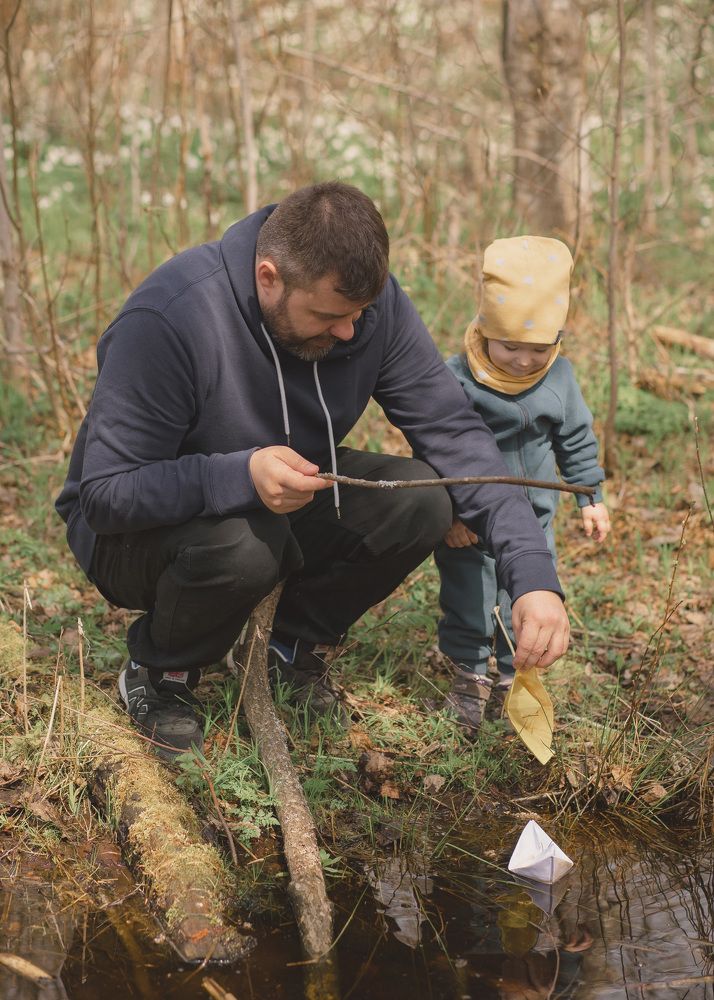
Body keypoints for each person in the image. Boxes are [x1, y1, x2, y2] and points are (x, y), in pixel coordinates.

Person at [55, 183, 570, 761]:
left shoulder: (368, 309)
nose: (350, 331)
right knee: (245, 544)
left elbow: (454, 434)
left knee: (423, 502)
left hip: (279, 495)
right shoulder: (171, 317)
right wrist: (240, 475)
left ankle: (289, 646)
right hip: (135, 534)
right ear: (269, 277)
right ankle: (162, 668)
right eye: (329, 315)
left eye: (359, 314)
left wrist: (531, 572)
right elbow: (105, 495)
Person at [435, 236, 610, 733]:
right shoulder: (456, 378)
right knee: (468, 595)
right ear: (486, 330)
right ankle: (468, 674)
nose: (523, 361)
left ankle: (516, 674)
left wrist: (590, 497)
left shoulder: (558, 381)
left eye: (538, 349)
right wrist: (449, 511)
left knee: (527, 599)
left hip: (533, 521)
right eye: (510, 346)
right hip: (467, 521)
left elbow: (576, 439)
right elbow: (432, 448)